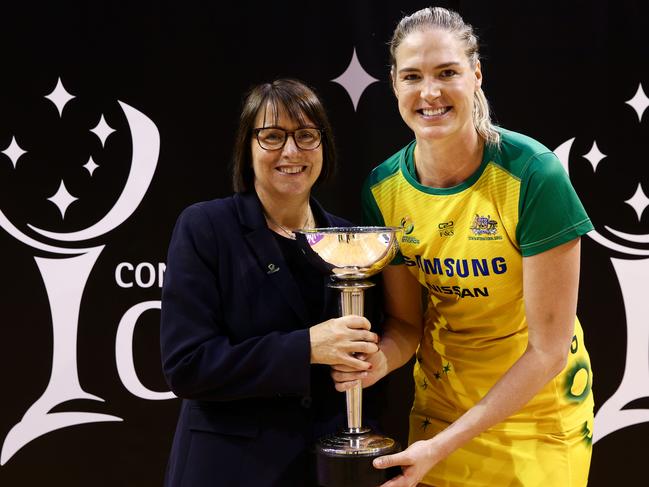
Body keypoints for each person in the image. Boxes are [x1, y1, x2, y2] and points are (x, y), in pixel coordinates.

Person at [332, 7, 594, 487]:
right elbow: (408, 324)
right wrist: (375, 363)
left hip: (537, 417)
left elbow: (548, 351)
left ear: (476, 75)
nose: (429, 92)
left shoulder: (534, 175)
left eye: (446, 72)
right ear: (393, 84)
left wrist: (441, 447)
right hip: (440, 408)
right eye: (412, 76)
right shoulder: (383, 189)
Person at [160, 78, 381, 487]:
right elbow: (187, 366)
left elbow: (371, 354)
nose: (291, 151)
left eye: (306, 136)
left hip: (325, 471)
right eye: (273, 136)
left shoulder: (351, 240)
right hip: (229, 471)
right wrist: (306, 348)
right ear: (247, 147)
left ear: (324, 146)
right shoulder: (206, 227)